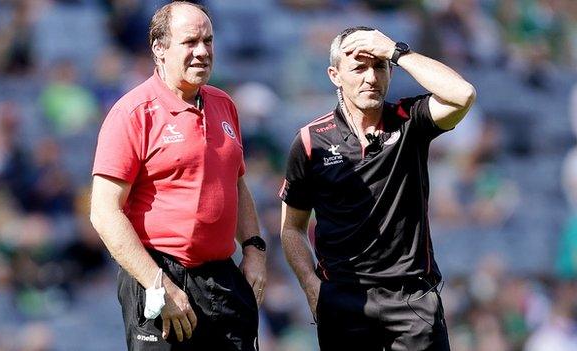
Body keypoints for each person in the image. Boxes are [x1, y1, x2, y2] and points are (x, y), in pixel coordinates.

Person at [279, 26, 476, 351]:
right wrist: (312, 287)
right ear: (335, 75)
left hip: (412, 301)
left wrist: (396, 51)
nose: (370, 77)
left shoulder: (410, 119)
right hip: (344, 303)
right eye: (358, 67)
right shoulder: (310, 141)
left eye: (379, 66)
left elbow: (463, 94)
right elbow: (291, 229)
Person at [89, 2, 266, 350]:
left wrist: (254, 248)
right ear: (159, 48)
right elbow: (104, 212)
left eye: (208, 41)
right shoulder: (133, 113)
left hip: (222, 276)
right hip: (161, 275)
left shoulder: (224, 104)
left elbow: (237, 182)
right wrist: (159, 285)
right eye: (189, 42)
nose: (202, 52)